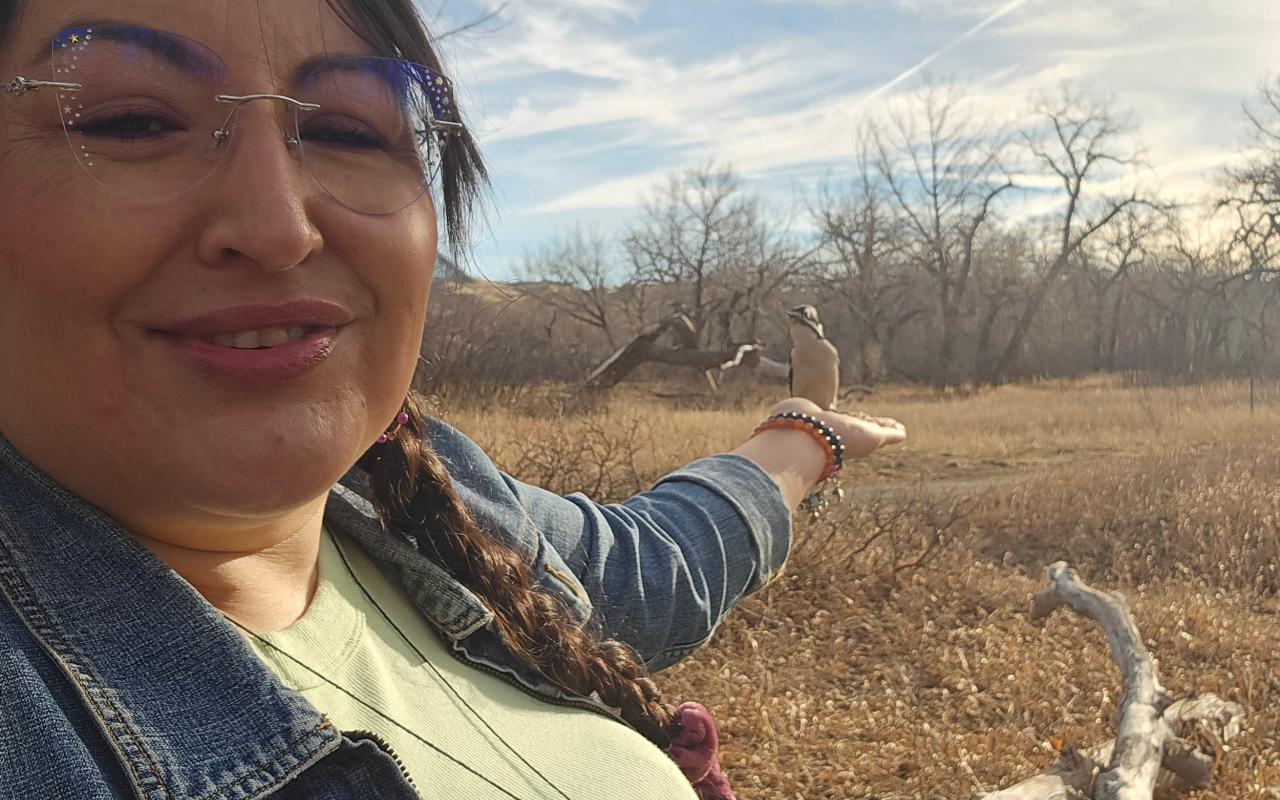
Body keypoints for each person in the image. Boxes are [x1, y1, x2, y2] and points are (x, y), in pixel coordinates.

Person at [0, 1, 906, 798]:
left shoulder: (418, 494)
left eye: (352, 130)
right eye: (127, 121)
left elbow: (643, 568)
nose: (279, 226)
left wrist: (803, 438)